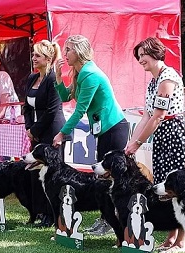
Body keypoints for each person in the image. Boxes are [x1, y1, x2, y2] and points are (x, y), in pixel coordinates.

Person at [125, 37, 185, 253]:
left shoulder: (168, 77)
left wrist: (137, 144)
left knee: (179, 187)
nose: (140, 60)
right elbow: (146, 116)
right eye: (138, 57)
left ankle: (182, 241)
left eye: (143, 55)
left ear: (155, 53)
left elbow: (158, 116)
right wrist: (130, 144)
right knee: (164, 187)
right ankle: (171, 236)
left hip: (175, 136)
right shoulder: (152, 82)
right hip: (161, 138)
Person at [53, 34, 129, 235]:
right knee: (102, 177)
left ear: (78, 51)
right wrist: (59, 78)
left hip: (113, 128)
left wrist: (62, 134)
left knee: (111, 177)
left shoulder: (90, 74)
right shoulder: (79, 73)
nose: (65, 53)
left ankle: (116, 221)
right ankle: (106, 218)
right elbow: (65, 97)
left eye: (68, 49)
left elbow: (79, 110)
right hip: (103, 129)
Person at [23, 40, 67, 227]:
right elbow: (26, 107)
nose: (33, 58)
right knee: (35, 174)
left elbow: (52, 110)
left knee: (52, 176)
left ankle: (53, 215)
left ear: (48, 59)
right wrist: (29, 128)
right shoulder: (31, 79)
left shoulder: (52, 79)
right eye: (33, 55)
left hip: (52, 132)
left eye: (37, 55)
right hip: (37, 131)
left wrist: (35, 129)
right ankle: (39, 212)